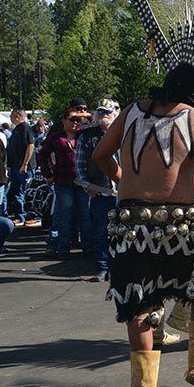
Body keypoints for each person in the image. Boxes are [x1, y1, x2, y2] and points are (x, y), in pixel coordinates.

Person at [92, 62, 194, 387]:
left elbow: (99, 155)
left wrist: (123, 178)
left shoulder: (131, 112)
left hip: (131, 221)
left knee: (137, 303)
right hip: (178, 220)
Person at [76, 100, 119, 280]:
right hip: (100, 193)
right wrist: (87, 188)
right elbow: (79, 166)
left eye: (107, 112)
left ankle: (120, 268)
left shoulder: (124, 134)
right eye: (100, 112)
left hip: (124, 193)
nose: (104, 116)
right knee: (100, 232)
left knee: (124, 233)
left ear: (114, 114)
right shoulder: (86, 137)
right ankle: (102, 268)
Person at [39, 106, 89, 258]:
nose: (75, 123)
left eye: (78, 120)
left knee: (85, 215)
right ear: (63, 120)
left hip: (83, 181)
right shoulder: (56, 137)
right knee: (64, 216)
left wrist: (85, 115)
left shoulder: (83, 135)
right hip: (63, 181)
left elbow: (97, 122)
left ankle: (88, 248)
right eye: (72, 119)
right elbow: (42, 155)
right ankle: (63, 249)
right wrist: (48, 174)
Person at [6, 109, 37, 226]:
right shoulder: (16, 129)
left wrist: (25, 164)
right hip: (15, 166)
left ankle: (26, 216)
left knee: (23, 191)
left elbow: (30, 146)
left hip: (23, 167)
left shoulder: (25, 128)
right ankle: (21, 215)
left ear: (18, 116)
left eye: (12, 116)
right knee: (17, 191)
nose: (10, 118)